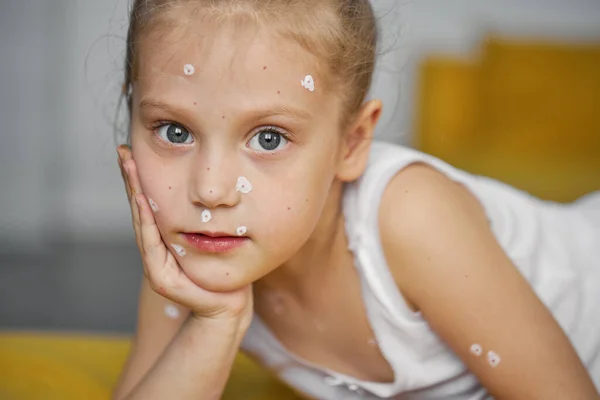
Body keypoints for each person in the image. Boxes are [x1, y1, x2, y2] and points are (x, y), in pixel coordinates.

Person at [112, 1, 600, 399]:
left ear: (351, 143)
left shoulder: (410, 218)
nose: (210, 189)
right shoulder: (192, 255)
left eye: (268, 138)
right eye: (174, 131)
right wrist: (216, 322)